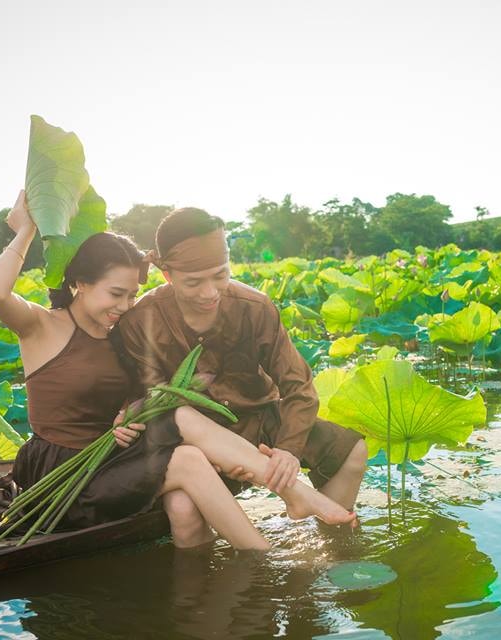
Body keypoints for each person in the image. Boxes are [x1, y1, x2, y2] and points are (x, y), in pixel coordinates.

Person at [0, 190, 269, 550]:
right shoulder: (41, 327)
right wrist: (24, 230)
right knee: (190, 462)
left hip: (112, 460)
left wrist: (124, 416)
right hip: (61, 478)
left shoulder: (124, 334)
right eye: (115, 293)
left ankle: (208, 580)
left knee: (185, 496)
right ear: (79, 284)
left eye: (132, 294)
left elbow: (149, 397)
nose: (125, 305)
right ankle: (263, 557)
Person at [114, 207, 368, 535]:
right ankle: (210, 580)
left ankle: (327, 545)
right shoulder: (141, 321)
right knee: (183, 506)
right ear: (168, 275)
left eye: (220, 275)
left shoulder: (256, 307)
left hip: (260, 420)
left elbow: (298, 386)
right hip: (191, 440)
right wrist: (217, 454)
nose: (210, 292)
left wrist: (288, 451)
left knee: (351, 452)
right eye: (194, 282)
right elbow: (160, 407)